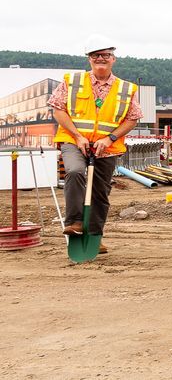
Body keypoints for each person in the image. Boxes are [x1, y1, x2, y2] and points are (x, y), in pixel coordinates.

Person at [49, 35, 142, 256]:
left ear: (113, 59)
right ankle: (75, 222)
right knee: (74, 171)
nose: (101, 59)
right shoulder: (72, 82)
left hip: (106, 146)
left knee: (100, 192)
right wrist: (77, 136)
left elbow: (133, 118)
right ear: (89, 59)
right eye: (95, 55)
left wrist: (109, 138)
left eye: (105, 55)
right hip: (74, 140)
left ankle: (95, 236)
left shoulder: (126, 89)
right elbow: (58, 109)